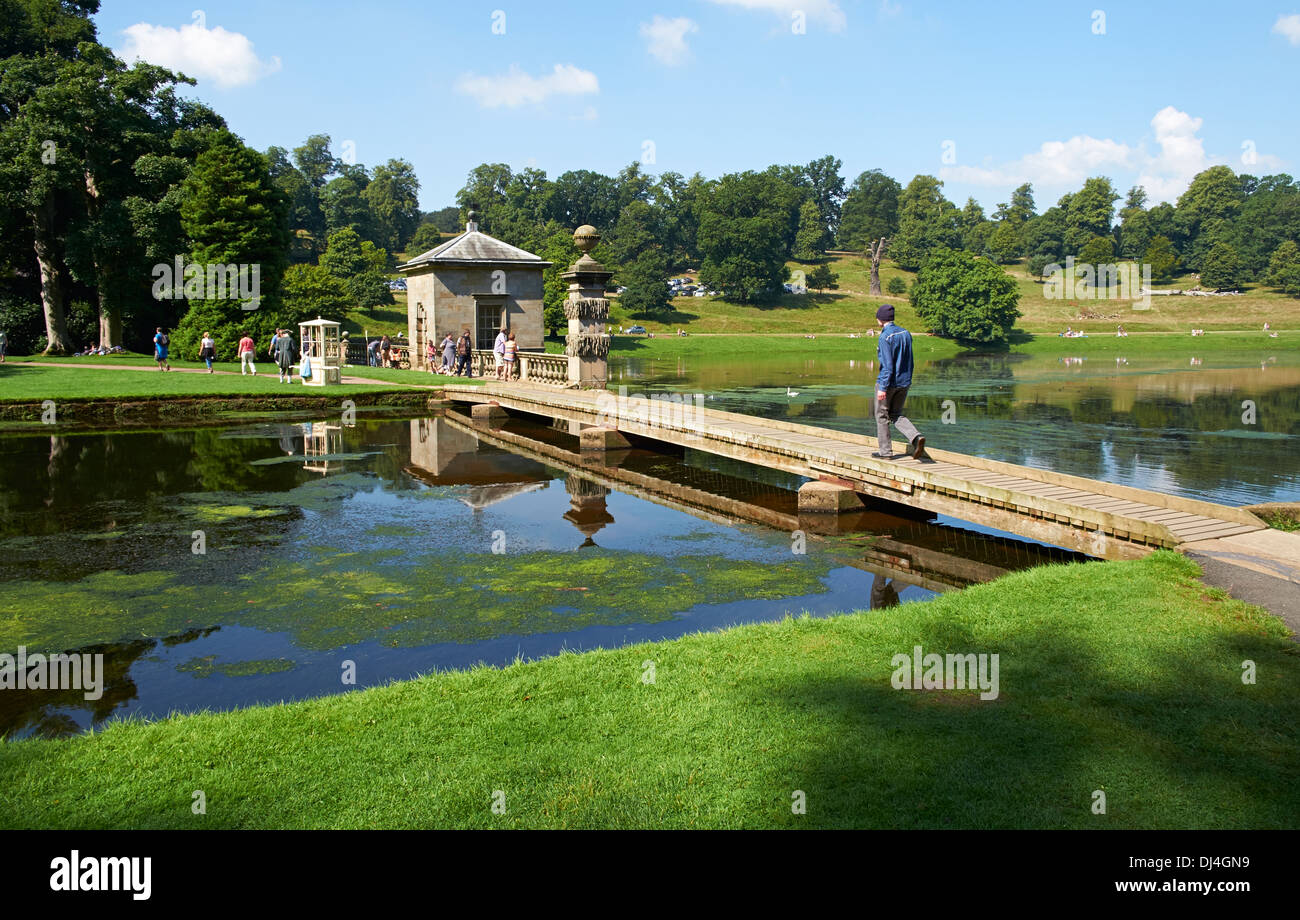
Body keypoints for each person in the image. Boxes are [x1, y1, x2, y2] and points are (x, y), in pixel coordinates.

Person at [872, 304, 928, 461]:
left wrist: (882, 387)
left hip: (888, 383)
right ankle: (916, 437)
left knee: (882, 416)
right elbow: (910, 359)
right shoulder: (906, 333)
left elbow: (887, 366)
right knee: (896, 414)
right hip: (904, 382)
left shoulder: (885, 337)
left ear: (880, 319)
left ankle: (885, 453)